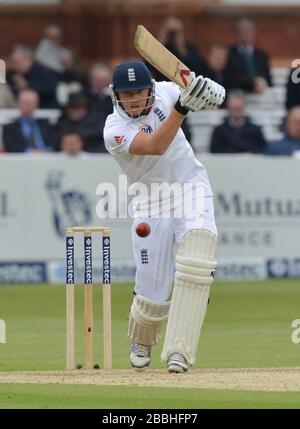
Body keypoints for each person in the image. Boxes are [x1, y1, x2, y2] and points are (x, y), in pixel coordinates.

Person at [104, 60, 225, 373]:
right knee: (152, 286)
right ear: (116, 95)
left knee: (197, 259)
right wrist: (183, 107)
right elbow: (156, 145)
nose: (133, 99)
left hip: (191, 188)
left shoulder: (169, 91)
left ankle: (180, 351)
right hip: (151, 202)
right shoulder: (114, 130)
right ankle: (142, 339)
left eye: (139, 91)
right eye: (126, 94)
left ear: (151, 89)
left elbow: (212, 97)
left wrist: (209, 90)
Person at [226, 19, 272, 93]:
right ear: (237, 34)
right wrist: (253, 81)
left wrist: (262, 82)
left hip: (260, 94)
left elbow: (268, 80)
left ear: (254, 34)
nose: (245, 35)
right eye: (242, 32)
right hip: (237, 94)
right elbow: (230, 79)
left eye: (248, 32)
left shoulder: (262, 56)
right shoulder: (229, 54)